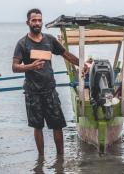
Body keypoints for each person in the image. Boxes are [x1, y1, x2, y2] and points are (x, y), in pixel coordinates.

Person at [12, 8, 79, 156]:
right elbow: (14, 67)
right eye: (34, 20)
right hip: (32, 92)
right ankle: (41, 159)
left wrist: (83, 65)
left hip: (50, 90)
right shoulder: (22, 43)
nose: (37, 23)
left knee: (58, 125)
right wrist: (31, 66)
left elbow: (66, 54)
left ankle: (60, 159)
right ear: (28, 22)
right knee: (38, 127)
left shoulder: (49, 40)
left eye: (39, 20)